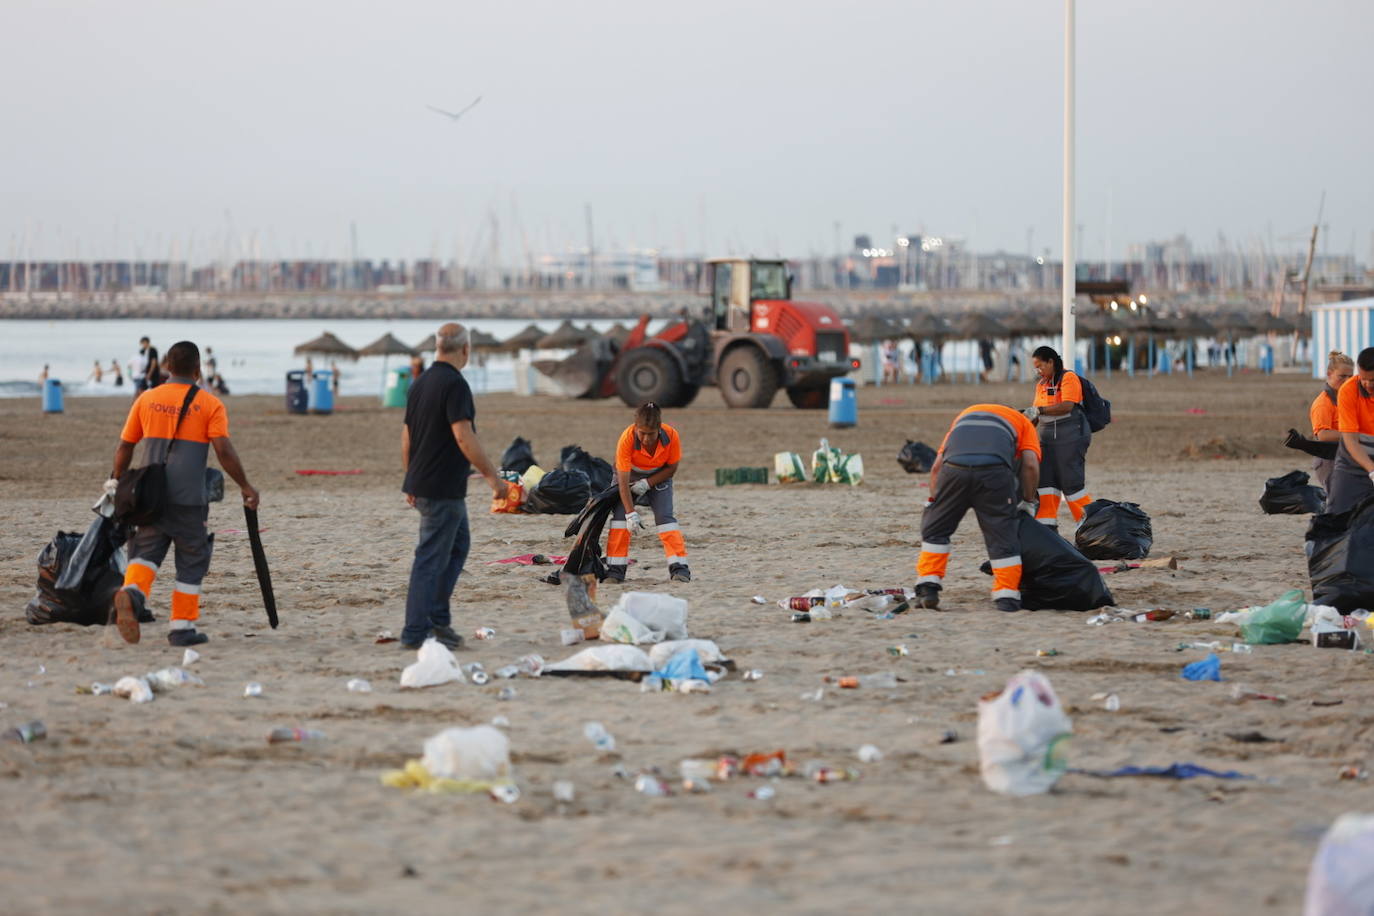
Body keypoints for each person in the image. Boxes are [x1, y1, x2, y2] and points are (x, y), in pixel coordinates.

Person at [107, 341, 259, 646]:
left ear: (166, 366)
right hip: (189, 498)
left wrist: (116, 480)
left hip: (148, 496)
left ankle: (132, 596)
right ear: (198, 369)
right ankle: (181, 627)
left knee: (145, 553)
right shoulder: (210, 403)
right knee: (192, 558)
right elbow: (223, 450)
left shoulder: (147, 399)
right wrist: (245, 485)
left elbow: (126, 446)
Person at [400, 323, 508, 650]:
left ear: (437, 347)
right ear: (465, 350)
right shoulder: (454, 384)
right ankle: (417, 631)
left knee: (457, 547)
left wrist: (410, 478)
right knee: (430, 559)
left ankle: (437, 620)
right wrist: (493, 478)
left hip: (431, 484)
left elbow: (407, 437)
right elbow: (464, 436)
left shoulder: (420, 383)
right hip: (441, 487)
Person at [915, 403, 1041, 612]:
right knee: (1002, 536)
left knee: (936, 531)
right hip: (994, 474)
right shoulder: (1024, 424)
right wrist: (1028, 500)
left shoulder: (964, 416)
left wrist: (934, 501)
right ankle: (1006, 598)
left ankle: (928, 587)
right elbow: (1030, 465)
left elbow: (937, 466)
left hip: (953, 470)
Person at [606, 401, 690, 583]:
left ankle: (680, 569)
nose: (645, 439)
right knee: (620, 520)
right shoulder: (626, 438)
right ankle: (615, 571)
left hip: (659, 478)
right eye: (642, 433)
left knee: (665, 520)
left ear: (659, 429)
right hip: (628, 480)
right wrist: (630, 513)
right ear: (635, 428)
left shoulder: (672, 436)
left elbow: (671, 469)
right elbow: (622, 481)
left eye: (650, 434)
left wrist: (647, 483)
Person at [1024, 345, 1094, 528]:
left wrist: (1039, 410)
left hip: (1071, 437)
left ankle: (1089, 525)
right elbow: (1035, 415)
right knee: (1046, 483)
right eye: (1036, 368)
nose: (1038, 371)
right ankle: (1046, 528)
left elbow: (1067, 406)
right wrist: (1025, 426)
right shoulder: (1041, 385)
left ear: (1051, 362)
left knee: (1070, 483)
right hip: (1048, 440)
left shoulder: (1068, 378)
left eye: (1041, 366)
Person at [1327, 347, 1374, 515]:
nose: (1368, 384)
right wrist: (1372, 471)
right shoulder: (1348, 391)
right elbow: (1350, 440)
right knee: (1336, 514)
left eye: (1373, 380)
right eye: (1363, 379)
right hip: (1352, 459)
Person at [1308, 351, 1355, 491]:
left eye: (1350, 377)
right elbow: (1323, 435)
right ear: (1329, 374)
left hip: (1348, 458)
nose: (1347, 381)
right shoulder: (1323, 403)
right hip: (1329, 461)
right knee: (1339, 503)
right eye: (1342, 376)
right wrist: (1354, 434)